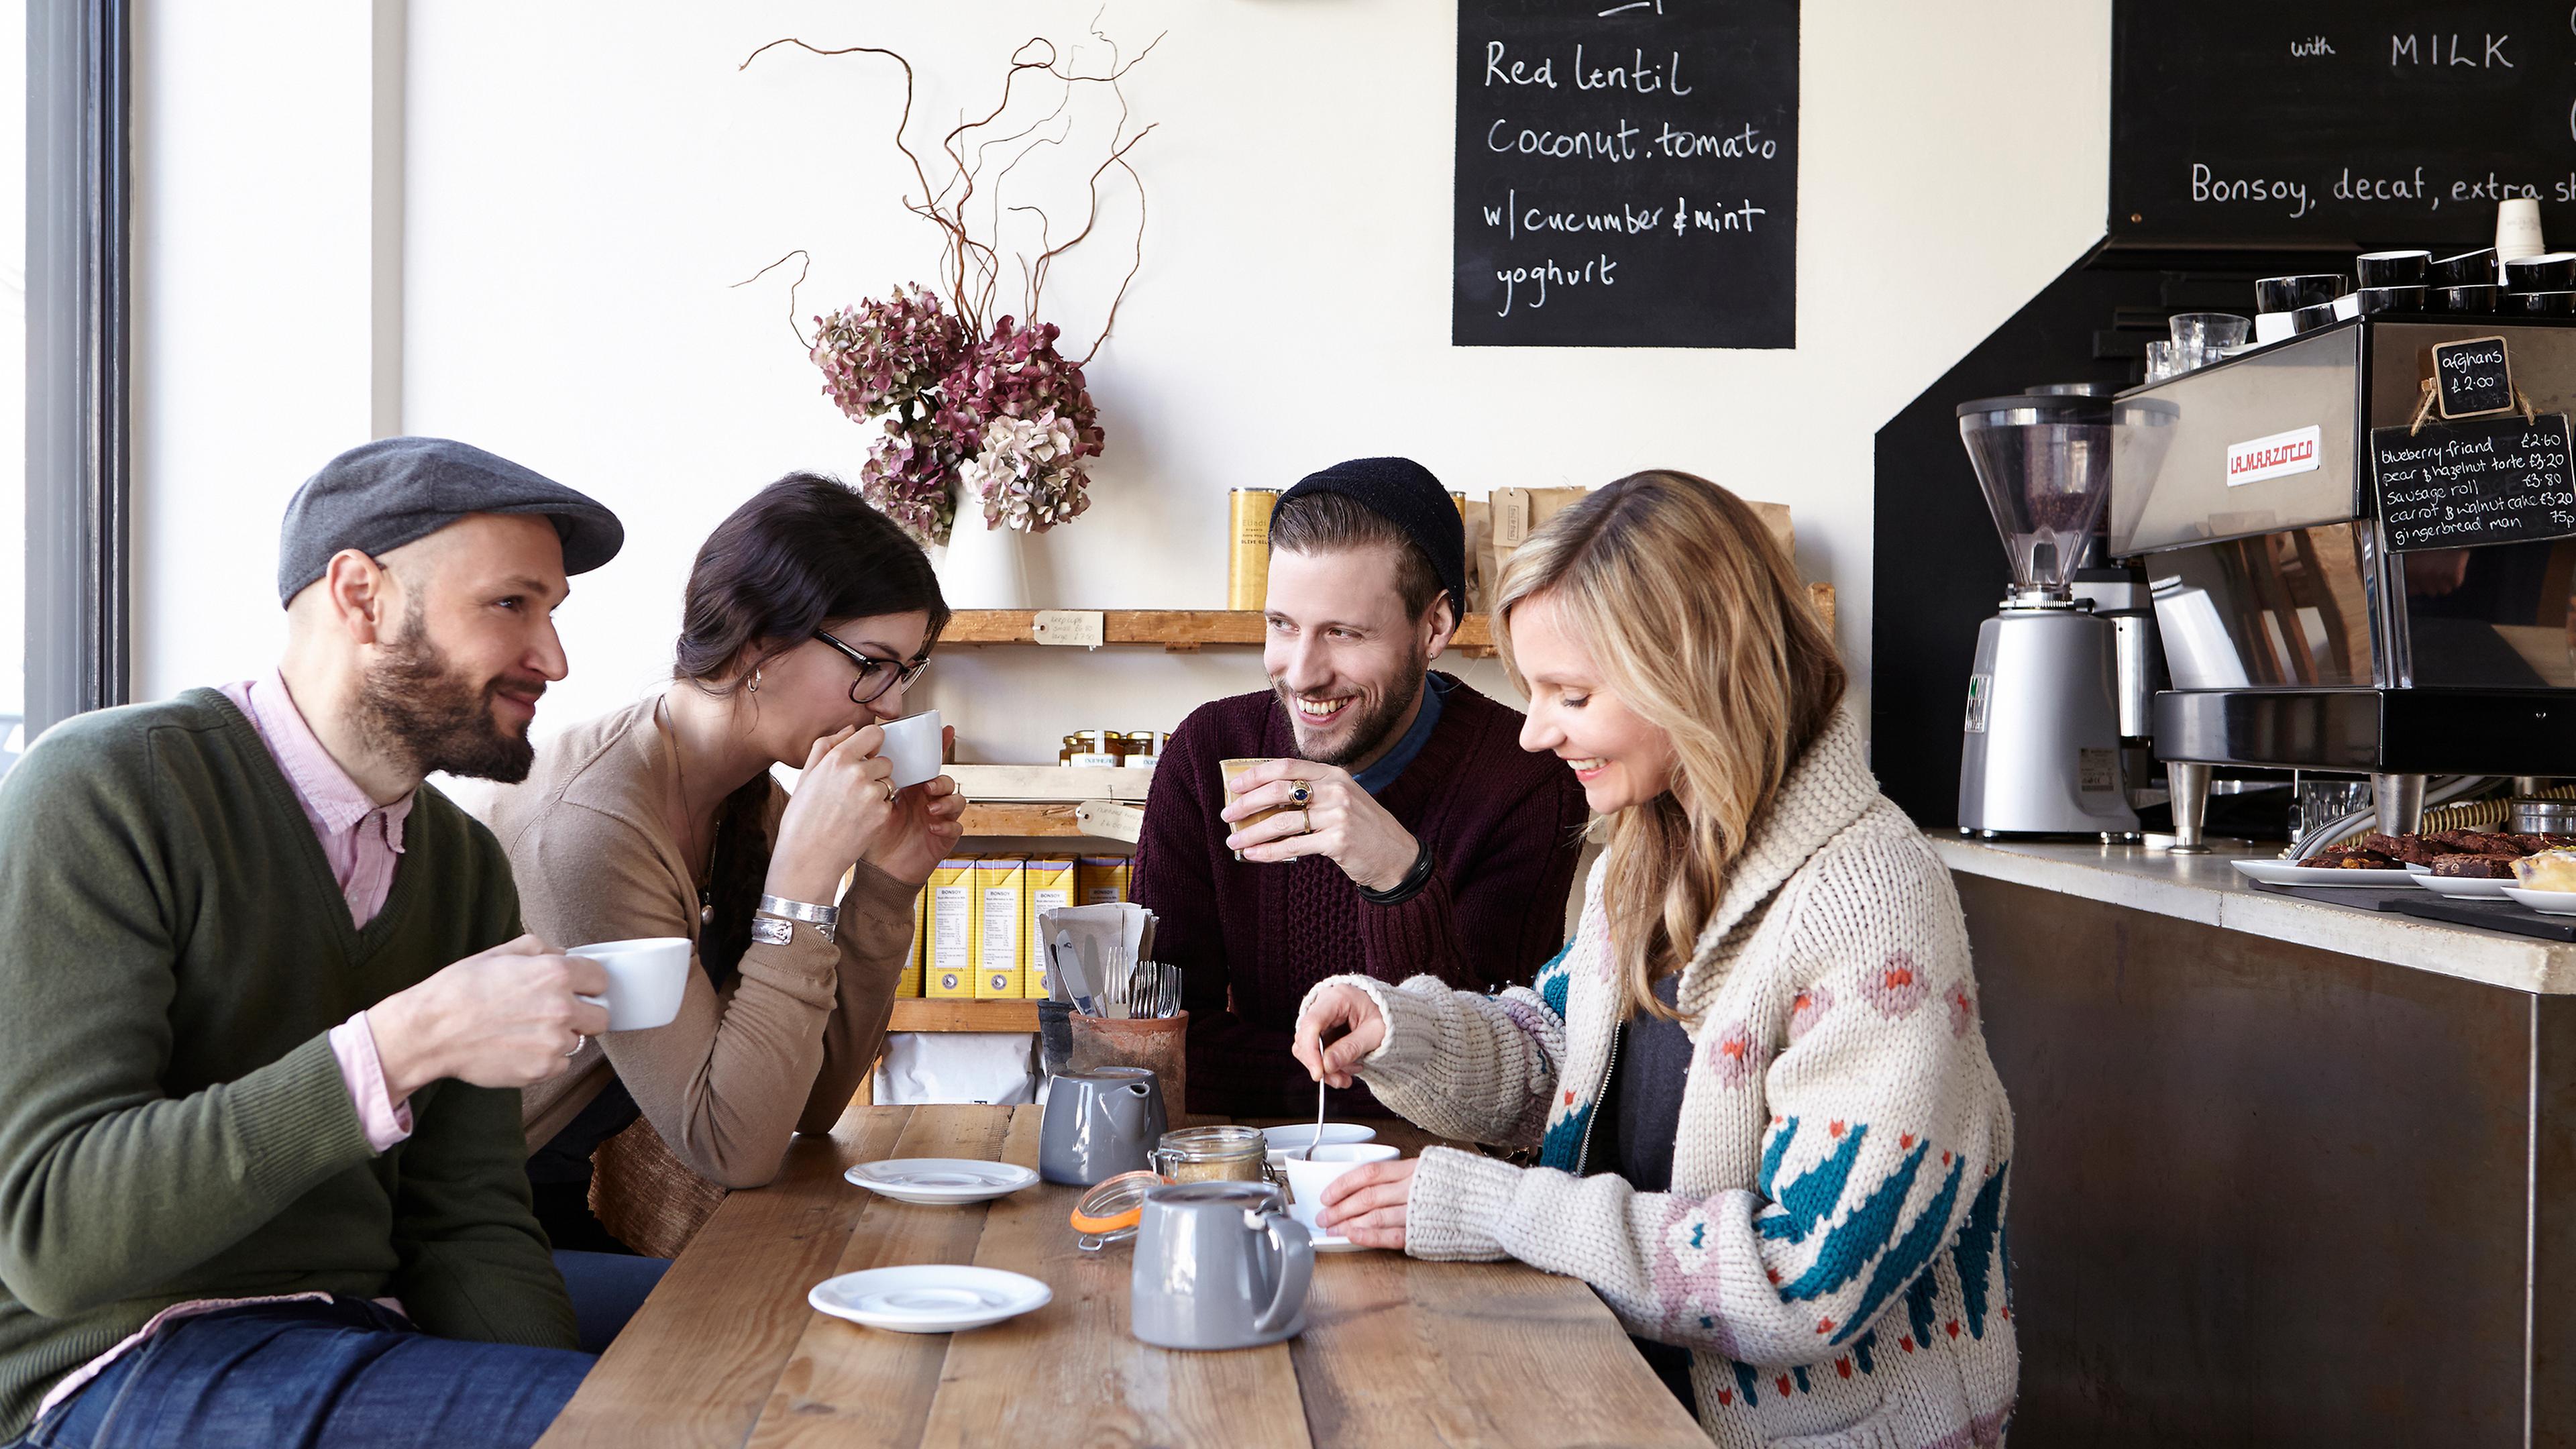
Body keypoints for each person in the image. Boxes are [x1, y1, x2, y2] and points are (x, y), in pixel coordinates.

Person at [1293, 471, 2018, 1447]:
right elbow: (1561, 1060)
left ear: (1699, 675)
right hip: (1625, 1398)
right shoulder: (1643, 850)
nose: (1534, 731)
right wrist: (1404, 1032)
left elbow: (1803, 1276)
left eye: (1572, 694)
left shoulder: (1873, 903)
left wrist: (1499, 1211)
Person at [0, 438, 629, 1449]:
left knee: (719, 1377)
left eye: (552, 612)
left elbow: (466, 1221)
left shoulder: (462, 866)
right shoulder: (105, 791)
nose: (553, 657)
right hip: (114, 1367)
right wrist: (395, 1048)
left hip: (355, 1328)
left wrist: (552, 1396)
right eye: (513, 605)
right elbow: (54, 1234)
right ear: (360, 594)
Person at [489, 475, 961, 1260]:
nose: (889, 708)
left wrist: (883, 884)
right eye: (873, 663)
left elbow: (808, 1104)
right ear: (759, 642)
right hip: (466, 1235)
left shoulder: (752, 802)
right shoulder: (592, 828)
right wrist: (802, 888)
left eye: (906, 673)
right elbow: (731, 1146)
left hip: (557, 1210)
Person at [1132, 457, 1589, 1118]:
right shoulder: (1209, 753)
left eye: (1343, 633)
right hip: (1249, 1169)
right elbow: (1161, 1046)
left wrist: (1397, 874)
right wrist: (1365, 1081)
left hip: (1437, 1186)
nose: (1303, 674)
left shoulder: (1525, 779)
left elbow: (1497, 1085)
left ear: (1434, 629)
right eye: (1282, 625)